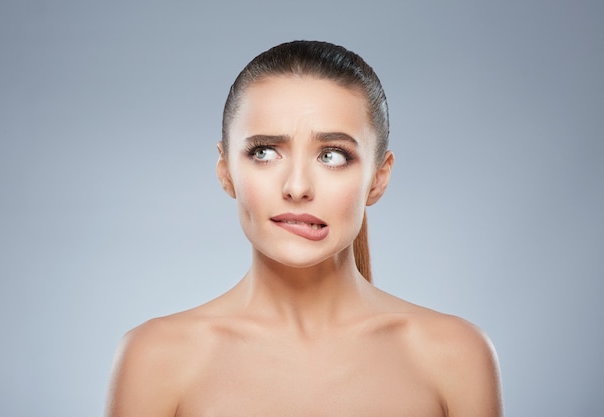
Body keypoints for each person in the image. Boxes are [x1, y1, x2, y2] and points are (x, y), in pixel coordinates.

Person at [104, 40, 503, 417]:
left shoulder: (455, 355)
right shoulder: (156, 357)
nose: (297, 187)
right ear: (226, 172)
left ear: (379, 179)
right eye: (264, 152)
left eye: (332, 155)